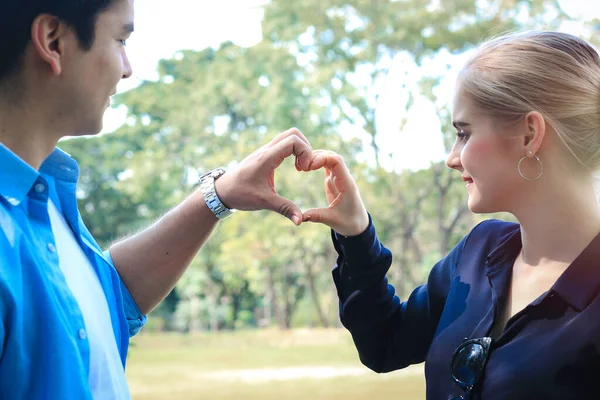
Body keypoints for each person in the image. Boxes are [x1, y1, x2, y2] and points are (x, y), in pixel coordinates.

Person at [0, 0, 314, 398]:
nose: (127, 68)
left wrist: (219, 195)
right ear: (53, 41)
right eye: (120, 40)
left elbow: (104, 298)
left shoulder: (43, 194)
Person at [302, 30, 600, 399]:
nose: (452, 158)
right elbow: (385, 343)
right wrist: (355, 231)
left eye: (464, 133)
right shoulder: (479, 252)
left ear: (529, 135)